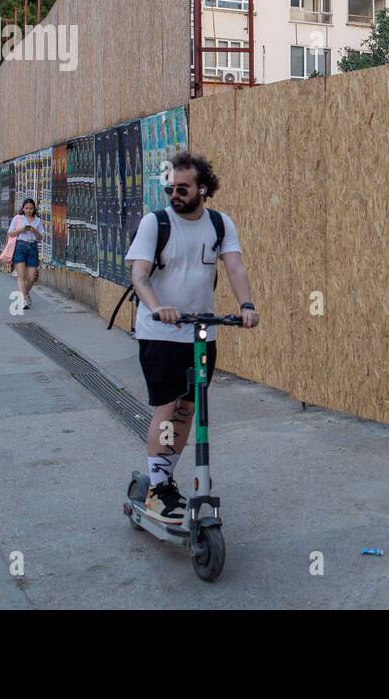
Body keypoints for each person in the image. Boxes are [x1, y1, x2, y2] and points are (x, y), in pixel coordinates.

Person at [125, 151, 258, 525]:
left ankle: (164, 479)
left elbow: (234, 266)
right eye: (171, 188)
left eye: (183, 188)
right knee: (168, 407)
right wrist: (156, 307)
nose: (175, 194)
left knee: (188, 409)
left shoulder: (219, 224)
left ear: (203, 188)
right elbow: (140, 276)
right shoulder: (156, 223)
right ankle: (157, 488)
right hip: (161, 333)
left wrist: (247, 305)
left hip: (201, 332)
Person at [7, 198, 43, 310]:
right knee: (21, 276)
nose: (28, 210)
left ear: (34, 209)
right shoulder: (18, 218)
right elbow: (10, 233)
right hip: (20, 247)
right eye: (26, 208)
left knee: (32, 278)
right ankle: (23, 300)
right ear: (23, 209)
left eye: (31, 208)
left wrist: (34, 231)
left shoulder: (38, 221)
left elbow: (40, 238)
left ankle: (25, 294)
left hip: (32, 247)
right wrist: (21, 230)